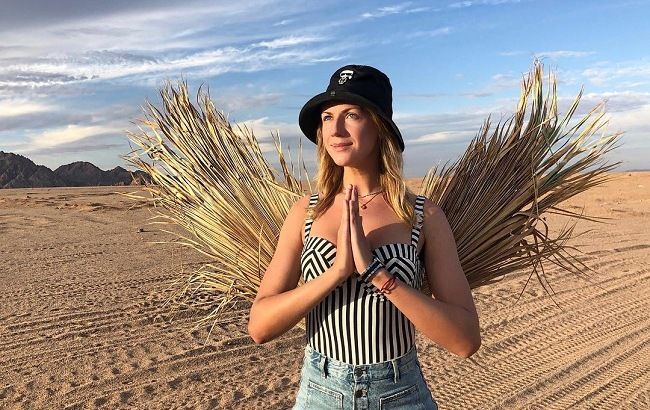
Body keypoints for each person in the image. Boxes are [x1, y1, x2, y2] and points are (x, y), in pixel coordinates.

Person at [248, 65, 481, 409]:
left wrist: (376, 273)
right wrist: (337, 272)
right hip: (321, 394)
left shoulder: (423, 216)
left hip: (400, 395)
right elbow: (260, 327)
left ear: (379, 126)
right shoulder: (305, 212)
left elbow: (465, 340)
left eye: (352, 115)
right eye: (328, 117)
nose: (336, 129)